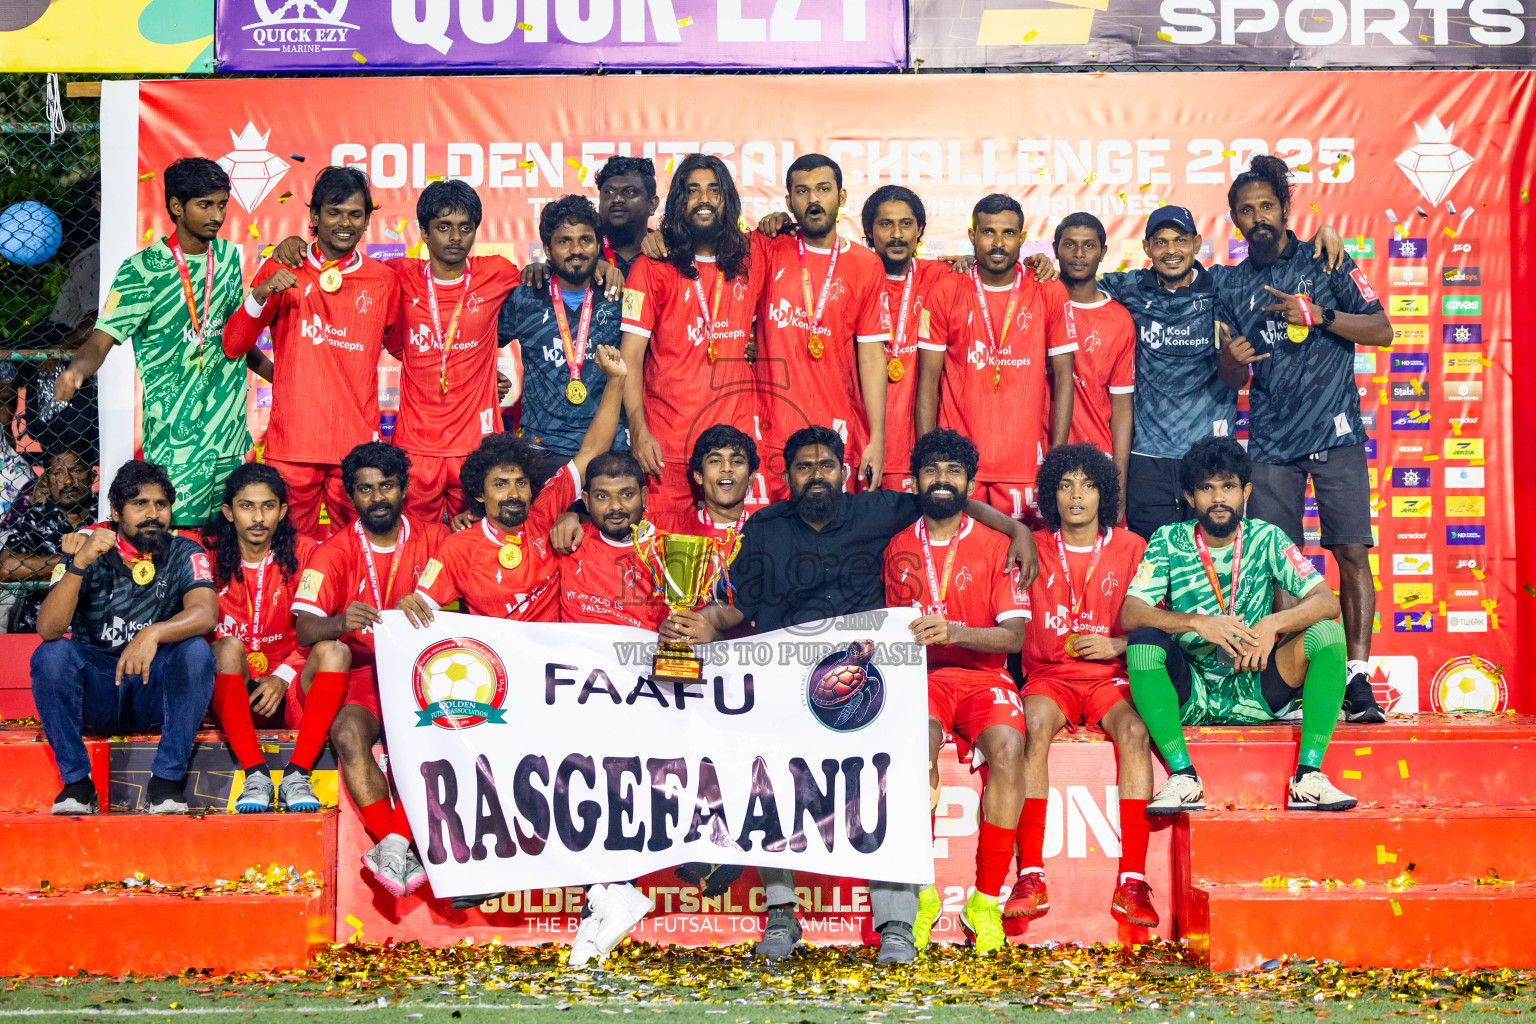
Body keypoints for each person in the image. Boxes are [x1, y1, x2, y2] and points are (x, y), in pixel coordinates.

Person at [666, 425, 1040, 965]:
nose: (815, 475)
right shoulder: (766, 528)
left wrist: (1017, 531)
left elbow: (946, 500)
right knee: (768, 769)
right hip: (787, 682)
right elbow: (736, 607)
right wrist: (703, 623)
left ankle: (894, 923)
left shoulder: (875, 512)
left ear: (843, 472)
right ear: (786, 477)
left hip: (863, 680)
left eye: (825, 466)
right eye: (803, 467)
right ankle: (781, 913)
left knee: (886, 771)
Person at [1215, 155, 1393, 724]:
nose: (1258, 217)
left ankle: (1357, 681)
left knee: (1350, 552)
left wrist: (1319, 313)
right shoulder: (1231, 283)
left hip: (1335, 432)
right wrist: (1230, 360)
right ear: (1235, 220)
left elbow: (1384, 330)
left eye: (1267, 205)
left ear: (1285, 208)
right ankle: (1290, 680)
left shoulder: (1327, 257)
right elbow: (1234, 377)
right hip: (1269, 442)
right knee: (1281, 564)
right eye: (1247, 210)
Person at [1121, 436, 1356, 815]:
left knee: (1328, 632)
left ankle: (1309, 776)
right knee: (1144, 642)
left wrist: (1272, 624)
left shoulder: (1267, 537)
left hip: (1258, 684)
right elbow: (1131, 613)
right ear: (1189, 495)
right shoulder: (1167, 540)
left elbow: (1326, 601)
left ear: (1245, 491)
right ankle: (1183, 777)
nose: (1218, 498)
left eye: (1228, 486)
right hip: (1192, 691)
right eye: (1207, 488)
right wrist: (1197, 623)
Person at [1096, 207, 1346, 540]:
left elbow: (1276, 268)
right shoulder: (1129, 288)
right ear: (1147, 249)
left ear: (1197, 243)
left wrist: (1324, 233)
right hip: (1148, 458)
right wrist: (1037, 271)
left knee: (1212, 568)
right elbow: (1076, 282)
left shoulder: (1225, 285)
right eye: (1161, 242)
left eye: (1181, 241)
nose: (1171, 251)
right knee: (1150, 567)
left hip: (1211, 458)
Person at [57, 159, 267, 527]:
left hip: (229, 440)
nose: (217, 215)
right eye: (205, 205)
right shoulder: (142, 270)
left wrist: (277, 374)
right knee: (179, 549)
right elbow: (101, 339)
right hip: (176, 447)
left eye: (222, 204)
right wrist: (76, 371)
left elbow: (236, 339)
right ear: (175, 207)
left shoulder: (230, 258)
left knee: (228, 549)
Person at [883, 429, 1030, 954]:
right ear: (915, 479)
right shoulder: (898, 546)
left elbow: (1014, 636)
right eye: (931, 470)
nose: (941, 480)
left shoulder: (997, 545)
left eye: (952, 471)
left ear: (969, 480)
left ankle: (985, 899)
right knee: (913, 744)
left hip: (985, 676)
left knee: (1011, 749)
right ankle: (921, 892)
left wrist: (955, 631)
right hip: (921, 678)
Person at [285, 443, 448, 893]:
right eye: (365, 489)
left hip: (422, 676)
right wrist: (341, 621)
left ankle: (395, 848)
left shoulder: (437, 540)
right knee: (349, 734)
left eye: (387, 487)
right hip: (358, 677)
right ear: (351, 496)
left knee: (434, 733)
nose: (377, 498)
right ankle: (396, 844)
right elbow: (304, 632)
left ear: (404, 488)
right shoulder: (333, 550)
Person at [1015, 443, 1155, 928]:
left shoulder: (1132, 547)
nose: (1077, 495)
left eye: (1089, 485)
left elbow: (1157, 619)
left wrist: (1119, 645)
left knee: (1136, 733)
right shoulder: (1028, 544)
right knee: (1031, 727)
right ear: (1050, 493)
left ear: (1105, 493)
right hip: (1049, 676)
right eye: (1065, 484)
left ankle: (1133, 882)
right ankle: (1031, 875)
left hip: (1108, 678)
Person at [224, 166, 403, 539]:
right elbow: (234, 345)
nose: (345, 223)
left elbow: (408, 350)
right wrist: (259, 294)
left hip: (356, 452)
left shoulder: (384, 280)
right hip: (292, 445)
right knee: (290, 554)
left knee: (356, 554)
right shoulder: (283, 265)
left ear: (367, 220)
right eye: (334, 212)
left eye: (355, 214)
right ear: (314, 216)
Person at [29, 460, 217, 815]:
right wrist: (80, 563)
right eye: (139, 504)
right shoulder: (89, 549)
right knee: (50, 655)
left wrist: (153, 632)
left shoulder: (184, 551)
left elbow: (206, 613)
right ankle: (77, 785)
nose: (153, 514)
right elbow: (49, 629)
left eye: (161, 504)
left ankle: (165, 783)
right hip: (98, 688)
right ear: (116, 511)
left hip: (151, 689)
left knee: (195, 651)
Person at [399, 345, 627, 623]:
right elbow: (418, 609)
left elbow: (592, 449)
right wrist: (409, 604)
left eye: (521, 483)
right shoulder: (456, 548)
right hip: (496, 663)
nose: (513, 493)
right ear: (480, 494)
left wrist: (615, 381)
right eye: (500, 484)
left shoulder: (545, 513)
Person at [916, 194, 1076, 525]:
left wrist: (1056, 459)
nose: (998, 243)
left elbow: (1064, 379)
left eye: (1008, 233)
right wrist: (927, 460)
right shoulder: (947, 290)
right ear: (972, 235)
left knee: (1023, 565)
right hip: (959, 466)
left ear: (1022, 237)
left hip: (1026, 465)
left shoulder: (1048, 289)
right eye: (988, 232)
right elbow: (927, 380)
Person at [621, 153, 767, 511]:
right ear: (678, 201)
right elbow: (630, 358)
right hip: (666, 445)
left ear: (727, 199)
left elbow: (801, 247)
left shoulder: (755, 256)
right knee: (668, 558)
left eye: (714, 190)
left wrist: (780, 221)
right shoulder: (650, 266)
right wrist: (638, 429)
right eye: (693, 190)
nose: (703, 199)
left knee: (735, 558)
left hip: (733, 450)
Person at [752, 155, 891, 495]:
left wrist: (877, 438)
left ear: (841, 198)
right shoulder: (767, 246)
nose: (813, 200)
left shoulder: (866, 264)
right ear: (789, 202)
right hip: (769, 431)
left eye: (823, 189)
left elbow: (872, 356)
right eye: (803, 191)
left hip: (834, 432)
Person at [384, 180, 521, 523]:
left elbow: (554, 283)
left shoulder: (498, 273)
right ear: (424, 233)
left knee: (475, 546)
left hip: (477, 445)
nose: (455, 237)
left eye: (465, 228)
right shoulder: (399, 275)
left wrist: (608, 266)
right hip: (416, 444)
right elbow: (346, 273)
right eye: (443, 227)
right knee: (415, 543)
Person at [205, 463, 318, 813]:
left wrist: (282, 678)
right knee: (227, 647)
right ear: (228, 511)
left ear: (282, 511)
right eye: (246, 506)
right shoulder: (204, 553)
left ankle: (297, 774)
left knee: (333, 648)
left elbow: (316, 628)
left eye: (268, 506)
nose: (258, 517)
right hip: (230, 685)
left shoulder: (307, 553)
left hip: (290, 683)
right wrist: (90, 533)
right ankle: (256, 773)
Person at [498, 195, 628, 489]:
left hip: (609, 444)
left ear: (597, 244)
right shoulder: (525, 297)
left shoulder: (618, 295)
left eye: (585, 240)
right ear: (547, 249)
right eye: (564, 241)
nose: (576, 250)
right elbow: (477, 344)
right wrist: (485, 378)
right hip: (543, 448)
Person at [861, 186, 951, 493]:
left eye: (907, 223)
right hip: (861, 443)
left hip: (916, 445)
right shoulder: (852, 274)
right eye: (885, 224)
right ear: (869, 231)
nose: (897, 234)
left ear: (921, 230)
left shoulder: (942, 277)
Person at [1053, 214, 1135, 501]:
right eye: (1070, 245)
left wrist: (1120, 482)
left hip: (1094, 456)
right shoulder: (1035, 299)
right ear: (1055, 249)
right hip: (1036, 453)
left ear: (1102, 253)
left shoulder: (1119, 319)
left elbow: (1121, 405)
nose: (1078, 254)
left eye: (1088, 246)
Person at [3, 451, 95, 633]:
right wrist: (72, 561)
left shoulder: (106, 513)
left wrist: (45, 567)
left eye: (76, 471)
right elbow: (7, 566)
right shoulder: (34, 516)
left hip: (96, 628)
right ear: (46, 481)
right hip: (38, 627)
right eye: (58, 474)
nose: (68, 481)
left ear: (92, 476)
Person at [646, 424, 760, 542]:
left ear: (751, 476)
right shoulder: (666, 529)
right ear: (699, 475)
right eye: (715, 461)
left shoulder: (767, 530)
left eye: (736, 461)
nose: (727, 468)